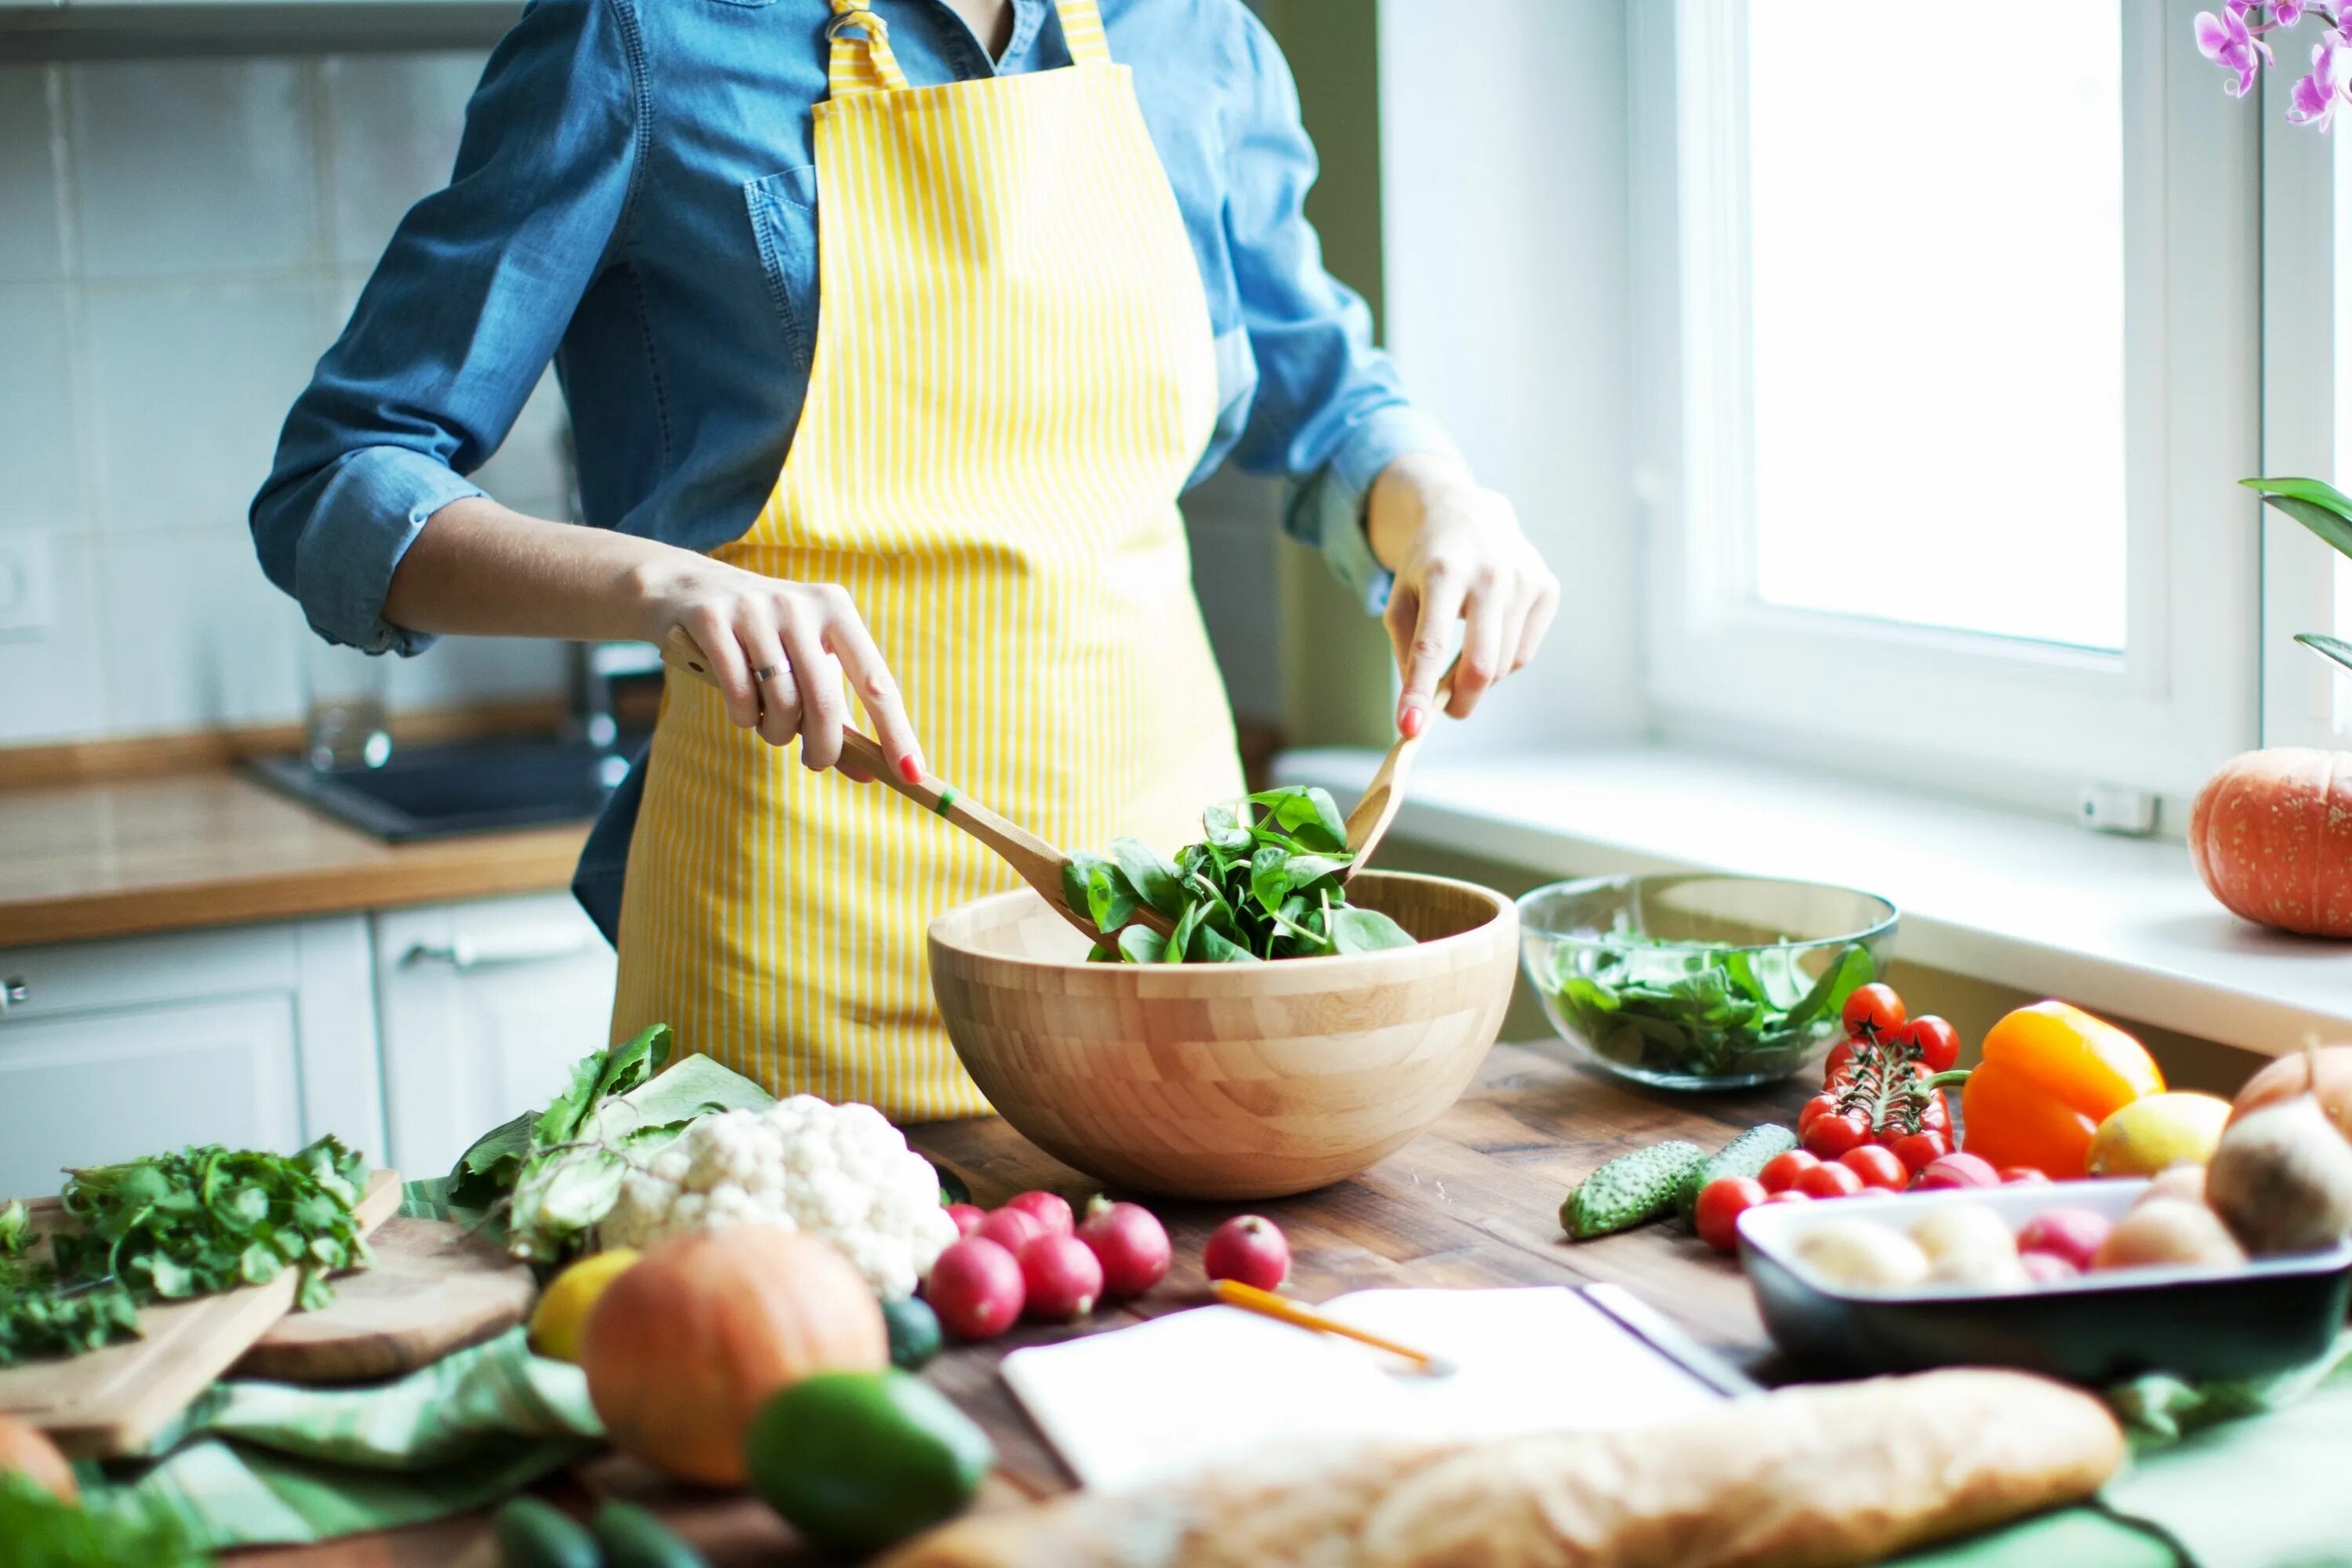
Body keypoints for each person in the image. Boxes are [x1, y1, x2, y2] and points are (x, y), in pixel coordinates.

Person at [252, 0, 1558, 1118]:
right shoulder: (644, 33)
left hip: (1169, 946)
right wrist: (662, 585)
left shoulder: (1190, 29)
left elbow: (1322, 392)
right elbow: (342, 482)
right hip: (794, 962)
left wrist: (1439, 502)